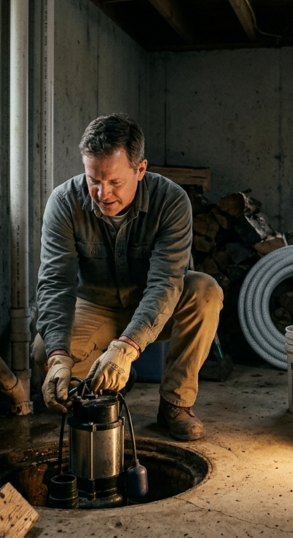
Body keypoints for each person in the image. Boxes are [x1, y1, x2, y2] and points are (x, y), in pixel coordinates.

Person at [33, 114, 222, 441]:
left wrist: (126, 347)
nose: (102, 193)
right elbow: (55, 284)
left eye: (114, 182)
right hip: (96, 307)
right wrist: (58, 356)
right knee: (42, 353)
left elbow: (166, 283)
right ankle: (103, 390)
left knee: (205, 291)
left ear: (140, 169)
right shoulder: (64, 202)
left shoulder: (171, 201)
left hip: (155, 306)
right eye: (93, 179)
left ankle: (174, 404)